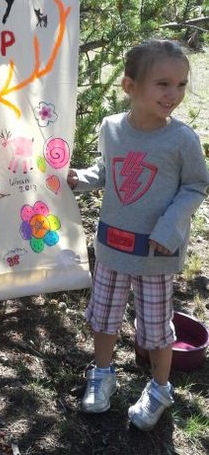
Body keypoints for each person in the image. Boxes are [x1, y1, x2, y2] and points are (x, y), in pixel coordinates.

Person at [67, 39, 209, 431]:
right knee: (104, 316)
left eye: (181, 85)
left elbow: (196, 186)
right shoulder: (111, 128)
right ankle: (102, 373)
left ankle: (160, 388)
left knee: (155, 326)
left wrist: (170, 228)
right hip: (113, 245)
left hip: (156, 252)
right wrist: (80, 179)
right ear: (130, 87)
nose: (174, 94)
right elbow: (108, 171)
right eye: (163, 84)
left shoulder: (182, 140)